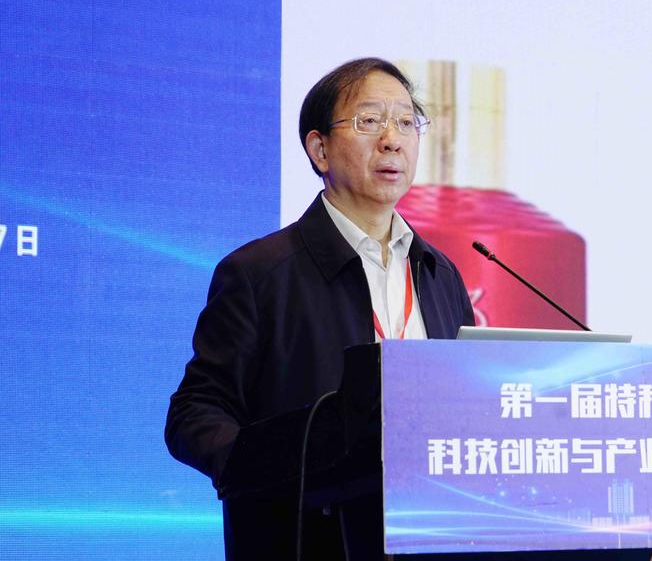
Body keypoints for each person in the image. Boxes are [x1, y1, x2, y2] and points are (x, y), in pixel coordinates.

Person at [165, 57, 475, 559]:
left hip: (429, 538)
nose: (392, 140)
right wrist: (277, 470)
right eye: (369, 121)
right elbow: (194, 414)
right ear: (320, 148)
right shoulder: (259, 273)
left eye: (405, 122)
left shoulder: (440, 275)